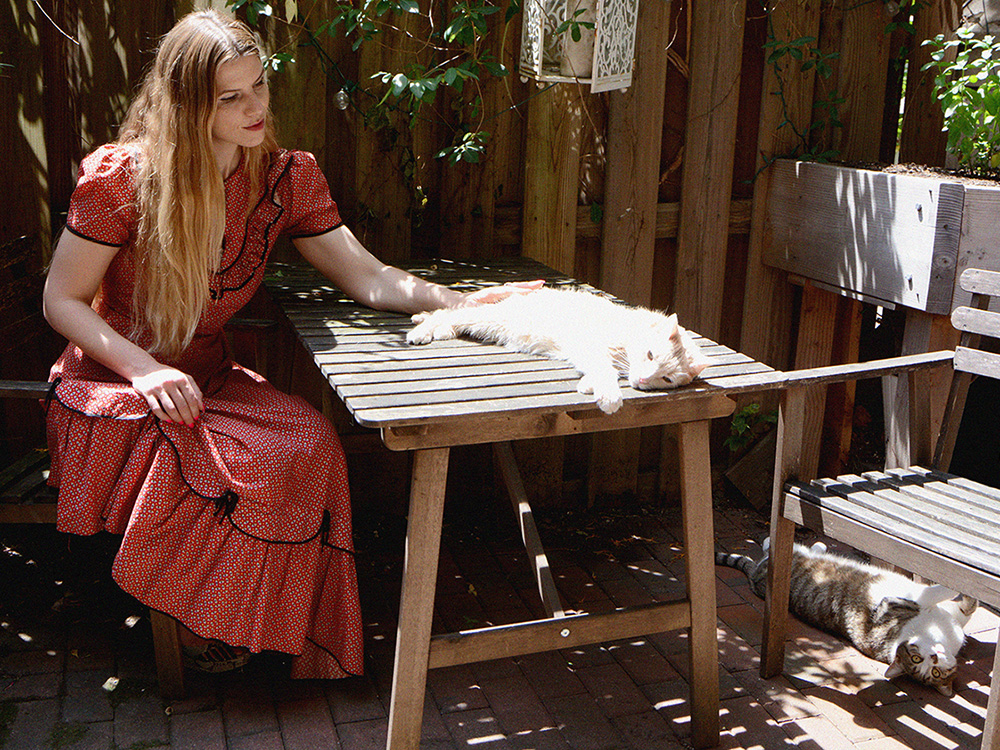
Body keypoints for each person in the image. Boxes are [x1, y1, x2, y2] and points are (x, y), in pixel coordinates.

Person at [42, 8, 540, 678]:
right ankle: (202, 623)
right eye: (232, 96)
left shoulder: (285, 177)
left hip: (207, 380)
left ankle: (244, 618)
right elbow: (60, 301)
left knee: (311, 440)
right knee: (257, 461)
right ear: (190, 104)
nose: (256, 107)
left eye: (260, 86)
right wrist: (145, 371)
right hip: (111, 384)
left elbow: (369, 277)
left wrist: (465, 306)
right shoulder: (120, 179)